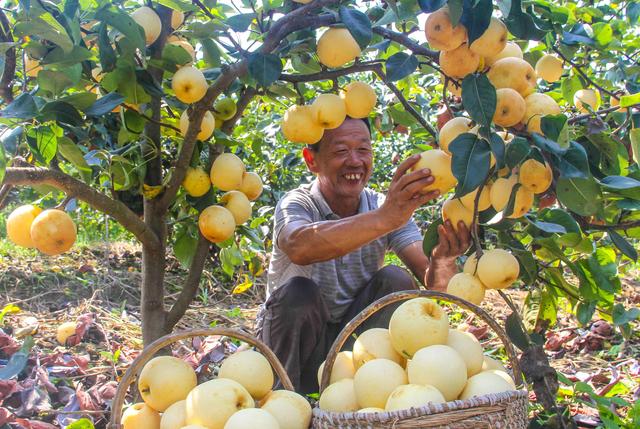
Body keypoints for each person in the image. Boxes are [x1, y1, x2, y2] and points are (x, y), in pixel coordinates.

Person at [256, 117, 470, 393]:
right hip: (293, 349)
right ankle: (282, 398)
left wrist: (443, 260)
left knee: (396, 282)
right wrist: (384, 218)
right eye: (341, 151)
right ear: (312, 160)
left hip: (349, 348)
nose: (355, 161)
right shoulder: (298, 203)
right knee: (299, 294)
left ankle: (360, 394)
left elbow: (437, 287)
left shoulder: (385, 208)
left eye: (363, 150)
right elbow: (299, 246)